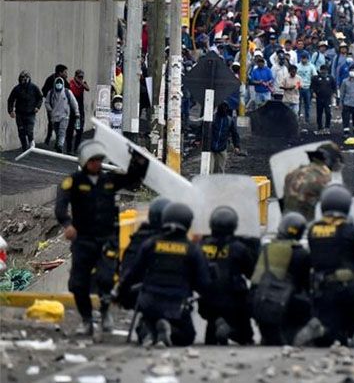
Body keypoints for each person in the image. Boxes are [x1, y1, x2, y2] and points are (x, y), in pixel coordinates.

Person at [56, 141, 149, 336]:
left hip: (107, 238)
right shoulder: (72, 182)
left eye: (99, 160)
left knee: (106, 278)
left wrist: (139, 160)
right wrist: (67, 224)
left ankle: (106, 312)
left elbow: (132, 180)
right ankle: (87, 319)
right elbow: (61, 206)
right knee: (78, 283)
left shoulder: (108, 180)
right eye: (93, 160)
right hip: (83, 240)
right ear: (84, 162)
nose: (97, 164)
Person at [299, 185, 354, 347]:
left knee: (333, 337)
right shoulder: (350, 231)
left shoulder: (313, 230)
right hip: (346, 289)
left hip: (320, 289)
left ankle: (318, 327)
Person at [116, 202, 211, 347]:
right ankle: (168, 330)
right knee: (186, 337)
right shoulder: (192, 250)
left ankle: (149, 330)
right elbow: (204, 283)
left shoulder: (150, 244)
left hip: (150, 302)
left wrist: (120, 294)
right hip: (177, 306)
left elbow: (132, 273)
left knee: (146, 321)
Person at [251, 212, 312, 345]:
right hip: (284, 308)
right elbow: (305, 285)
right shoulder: (301, 253)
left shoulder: (264, 248)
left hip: (259, 306)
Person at [198, 206, 256, 345]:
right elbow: (251, 273)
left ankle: (217, 324)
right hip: (234, 301)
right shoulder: (239, 248)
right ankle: (230, 331)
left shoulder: (201, 247)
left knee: (212, 328)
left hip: (207, 302)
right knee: (246, 337)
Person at [284, 143, 343, 221]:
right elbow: (334, 205)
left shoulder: (294, 172)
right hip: (305, 225)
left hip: (285, 225)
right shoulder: (322, 175)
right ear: (330, 159)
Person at [7, 71, 43, 150]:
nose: (22, 80)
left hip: (30, 113)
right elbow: (11, 100)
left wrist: (37, 107)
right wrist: (11, 111)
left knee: (29, 131)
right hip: (20, 113)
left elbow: (40, 98)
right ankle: (24, 147)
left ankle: (31, 143)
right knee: (21, 132)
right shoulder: (17, 89)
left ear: (28, 79)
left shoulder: (34, 88)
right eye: (21, 78)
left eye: (24, 78)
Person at [44, 76, 79, 153]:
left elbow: (74, 103)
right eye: (57, 83)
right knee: (57, 132)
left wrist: (77, 112)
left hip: (65, 116)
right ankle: (58, 142)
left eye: (60, 83)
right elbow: (46, 103)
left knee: (62, 131)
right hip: (54, 116)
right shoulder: (51, 93)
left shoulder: (67, 92)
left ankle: (60, 145)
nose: (59, 84)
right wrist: (50, 110)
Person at [209, 102, 240, 174]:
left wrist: (237, 145)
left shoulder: (229, 120)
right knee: (210, 169)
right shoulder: (213, 118)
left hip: (222, 147)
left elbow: (234, 134)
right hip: (211, 147)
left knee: (220, 170)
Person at [42, 64, 69, 146]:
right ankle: (49, 138)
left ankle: (57, 140)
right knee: (52, 122)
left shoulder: (64, 81)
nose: (66, 74)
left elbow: (69, 90)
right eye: (65, 72)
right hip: (52, 106)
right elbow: (44, 90)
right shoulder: (51, 79)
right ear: (60, 72)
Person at [66, 70, 89, 153]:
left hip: (80, 110)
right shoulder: (71, 83)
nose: (80, 78)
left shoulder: (83, 83)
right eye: (79, 77)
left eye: (82, 77)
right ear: (75, 76)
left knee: (79, 130)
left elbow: (88, 88)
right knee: (70, 130)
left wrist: (82, 83)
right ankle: (69, 149)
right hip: (71, 110)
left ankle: (76, 148)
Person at [310, 64, 336, 134]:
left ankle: (327, 127)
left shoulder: (331, 78)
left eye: (325, 70)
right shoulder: (316, 78)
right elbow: (312, 87)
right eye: (322, 70)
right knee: (319, 113)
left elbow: (334, 87)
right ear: (320, 70)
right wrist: (313, 93)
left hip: (328, 98)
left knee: (328, 113)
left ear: (327, 71)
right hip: (319, 98)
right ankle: (320, 128)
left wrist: (334, 94)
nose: (323, 72)